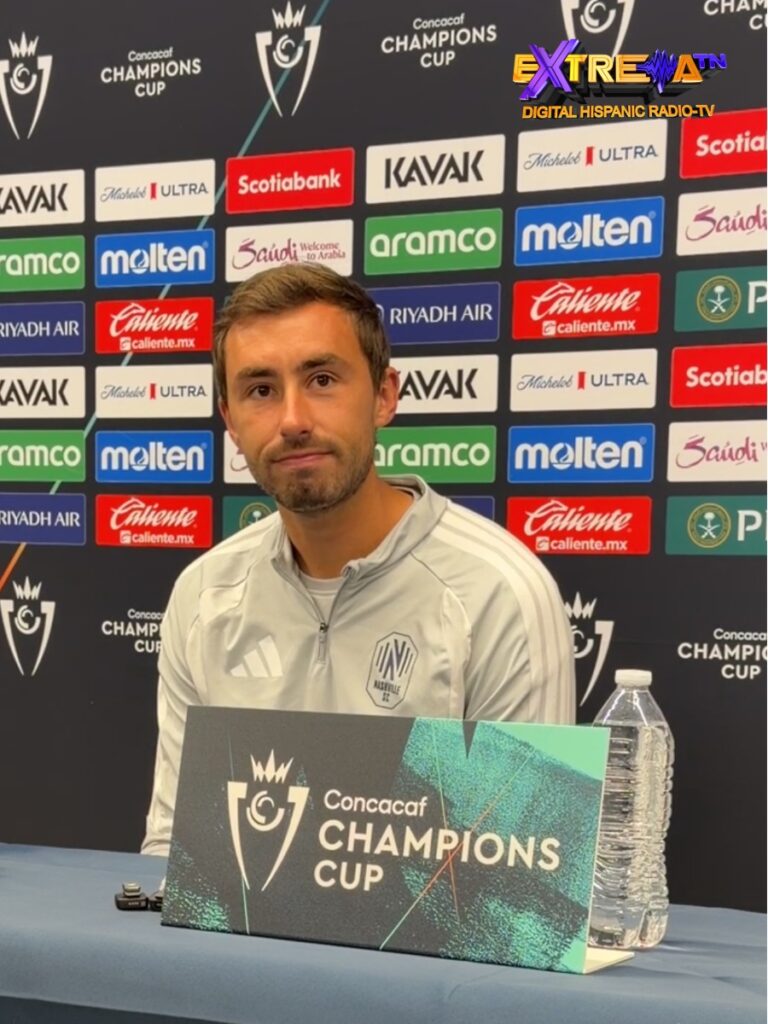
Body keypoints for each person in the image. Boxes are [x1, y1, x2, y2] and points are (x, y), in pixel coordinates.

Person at [141, 263, 575, 856]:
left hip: (424, 951)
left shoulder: (498, 591)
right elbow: (177, 850)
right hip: (238, 949)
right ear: (231, 423)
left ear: (384, 396)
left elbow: (523, 877)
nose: (292, 420)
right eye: (261, 390)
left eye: (322, 379)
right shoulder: (203, 594)